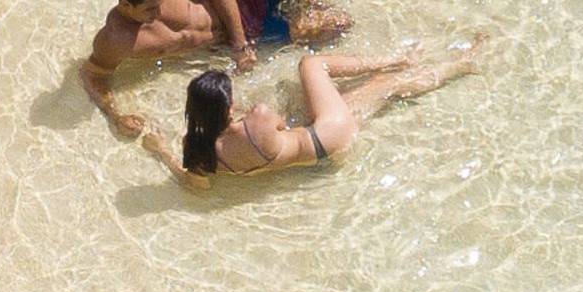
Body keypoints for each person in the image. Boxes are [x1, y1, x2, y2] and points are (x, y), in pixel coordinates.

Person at [81, 0, 346, 135]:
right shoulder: (116, 40)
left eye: (160, 3)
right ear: (126, 5)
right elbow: (93, 74)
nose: (158, 12)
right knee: (339, 25)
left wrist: (240, 44)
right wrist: (116, 116)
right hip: (252, 32)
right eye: (150, 9)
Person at [142, 47, 475, 192]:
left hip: (314, 158)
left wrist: (160, 150)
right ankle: (428, 63)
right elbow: (283, 122)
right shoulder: (257, 118)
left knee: (369, 92)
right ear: (228, 106)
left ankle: (430, 66)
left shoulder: (199, 151)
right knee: (316, 66)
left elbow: (196, 186)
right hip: (328, 136)